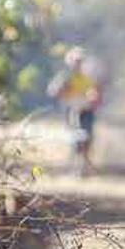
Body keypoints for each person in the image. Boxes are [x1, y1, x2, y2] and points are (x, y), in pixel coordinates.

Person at [47, 46, 104, 176]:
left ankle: (83, 167)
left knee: (87, 139)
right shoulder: (65, 77)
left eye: (81, 61)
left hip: (86, 111)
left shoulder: (87, 77)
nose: (78, 63)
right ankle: (76, 167)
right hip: (72, 111)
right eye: (76, 61)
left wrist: (93, 97)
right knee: (77, 138)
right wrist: (64, 90)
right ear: (70, 62)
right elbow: (53, 92)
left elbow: (96, 94)